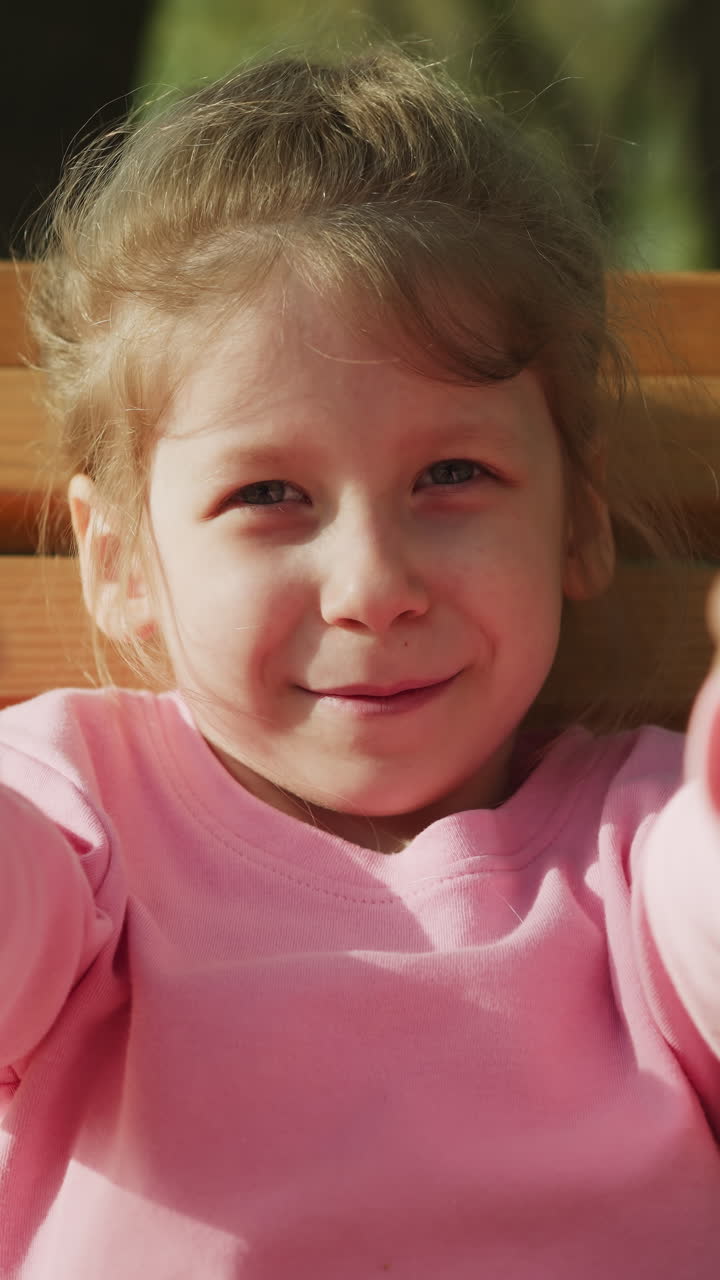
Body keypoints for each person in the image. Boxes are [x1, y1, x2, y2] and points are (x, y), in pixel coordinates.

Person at [1, 45, 719, 1279]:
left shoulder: (654, 841)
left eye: (454, 476)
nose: (375, 585)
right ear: (120, 562)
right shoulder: (78, 811)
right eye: (269, 493)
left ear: (577, 517)